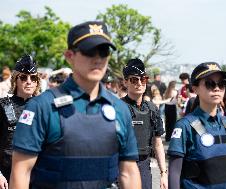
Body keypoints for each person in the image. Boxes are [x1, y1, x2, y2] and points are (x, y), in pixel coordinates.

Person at [10, 21, 141, 189]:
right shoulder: (42, 107)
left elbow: (129, 172)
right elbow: (21, 172)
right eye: (89, 51)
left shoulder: (120, 109)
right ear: (69, 56)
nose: (97, 59)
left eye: (103, 52)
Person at [168, 62, 226, 189]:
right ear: (195, 89)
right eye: (209, 84)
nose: (217, 89)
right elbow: (174, 172)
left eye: (222, 84)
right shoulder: (185, 126)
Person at [122, 58, 168, 189]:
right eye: (134, 80)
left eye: (143, 80)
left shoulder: (152, 109)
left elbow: (158, 144)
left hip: (144, 165)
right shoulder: (117, 108)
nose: (139, 84)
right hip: (122, 165)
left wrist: (163, 173)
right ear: (125, 82)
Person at [0, 54, 41, 189]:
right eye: (23, 77)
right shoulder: (3, 105)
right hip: (7, 175)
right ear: (15, 80)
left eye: (33, 78)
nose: (29, 81)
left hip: (37, 175)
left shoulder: (44, 106)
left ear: (37, 82)